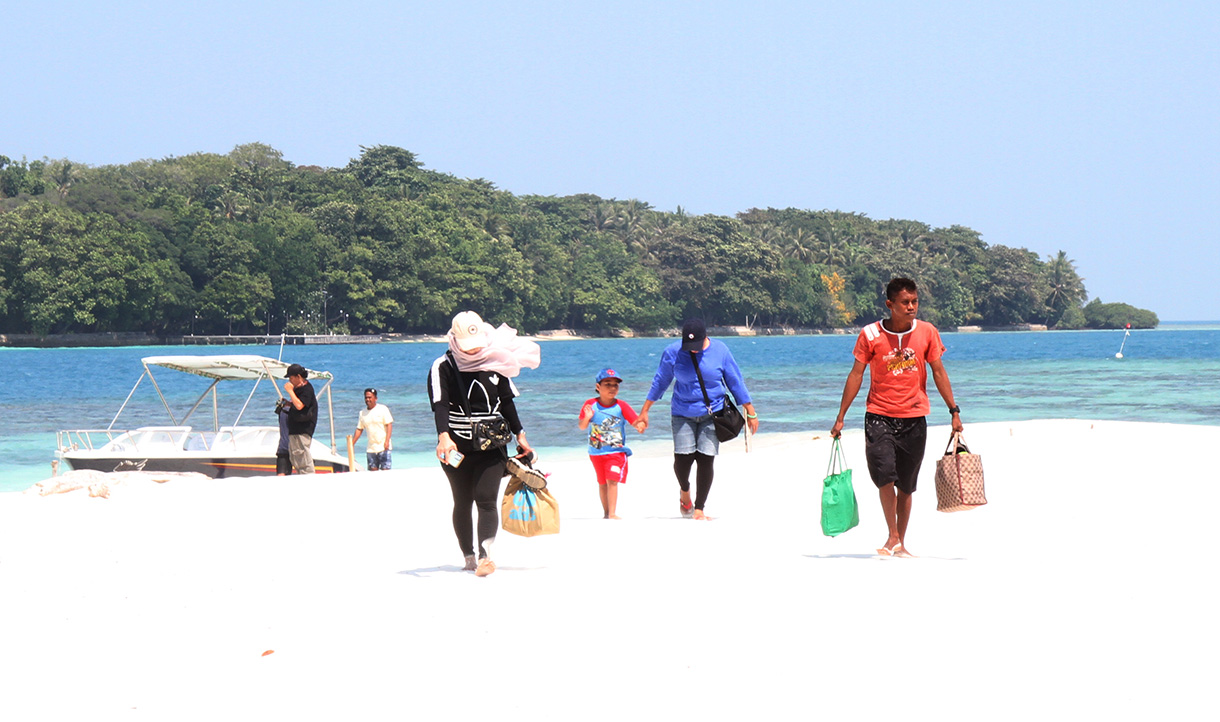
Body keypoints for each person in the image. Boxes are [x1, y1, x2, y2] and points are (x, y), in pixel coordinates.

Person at [830, 277, 964, 558]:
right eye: (905, 302)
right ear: (890, 304)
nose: (911, 307)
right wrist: (841, 416)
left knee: (906, 485)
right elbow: (856, 374)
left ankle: (898, 542)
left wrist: (954, 410)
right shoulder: (869, 334)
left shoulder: (927, 332)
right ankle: (892, 535)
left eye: (915, 301)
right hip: (879, 415)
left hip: (915, 416)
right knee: (884, 477)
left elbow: (938, 371)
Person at [428, 311, 540, 577]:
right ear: (454, 338)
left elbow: (507, 402)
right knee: (463, 500)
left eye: (476, 343)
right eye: (467, 345)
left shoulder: (495, 360)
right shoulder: (442, 366)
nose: (473, 350)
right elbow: (440, 405)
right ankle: (468, 556)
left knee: (486, 499)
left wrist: (521, 434)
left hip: (492, 445)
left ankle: (485, 556)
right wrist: (444, 436)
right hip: (457, 447)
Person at [637, 319, 759, 520]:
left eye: (697, 346)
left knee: (705, 458)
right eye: (689, 346)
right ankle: (684, 489)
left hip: (713, 414)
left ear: (705, 338)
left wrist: (750, 411)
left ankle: (700, 508)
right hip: (682, 411)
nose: (693, 351)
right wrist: (645, 411)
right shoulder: (672, 352)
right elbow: (660, 381)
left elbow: (735, 381)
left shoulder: (721, 351)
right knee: (683, 459)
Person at [578, 368, 645, 520]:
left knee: (612, 480)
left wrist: (641, 425)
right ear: (598, 387)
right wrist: (587, 417)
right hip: (596, 452)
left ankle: (613, 513)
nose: (612, 388)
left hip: (616, 452)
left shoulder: (621, 405)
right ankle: (606, 513)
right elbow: (582, 426)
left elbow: (636, 423)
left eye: (615, 385)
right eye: (607, 384)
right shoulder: (590, 404)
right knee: (602, 483)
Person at [282, 362, 318, 474]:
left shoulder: (307, 389)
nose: (290, 381)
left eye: (291, 378)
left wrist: (290, 391)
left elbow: (300, 405)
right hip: (294, 430)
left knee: (303, 459)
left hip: (303, 430)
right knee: (295, 459)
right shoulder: (298, 389)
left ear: (298, 377)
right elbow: (295, 404)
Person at [352, 388, 394, 471]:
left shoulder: (383, 409)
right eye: (366, 397)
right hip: (371, 449)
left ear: (375, 398)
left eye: (370, 397)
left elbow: (389, 425)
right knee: (372, 473)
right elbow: (359, 429)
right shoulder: (362, 413)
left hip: (383, 447)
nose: (368, 399)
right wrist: (352, 443)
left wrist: (387, 441)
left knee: (386, 472)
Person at [274, 396, 292, 475]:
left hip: (282, 447)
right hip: (292, 447)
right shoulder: (290, 413)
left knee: (281, 474)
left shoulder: (282, 412)